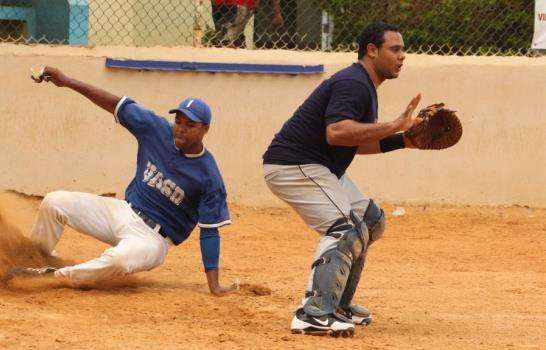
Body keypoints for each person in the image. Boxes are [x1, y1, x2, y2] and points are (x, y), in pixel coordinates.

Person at [262, 22, 423, 336]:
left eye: (403, 49)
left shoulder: (365, 85)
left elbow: (355, 141)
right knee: (344, 227)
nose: (402, 56)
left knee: (370, 219)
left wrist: (403, 139)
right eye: (395, 49)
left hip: (316, 166)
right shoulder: (354, 83)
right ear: (371, 50)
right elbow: (336, 133)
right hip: (294, 164)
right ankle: (313, 312)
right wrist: (393, 126)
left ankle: (337, 304)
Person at [19, 67, 236, 297]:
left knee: (120, 260)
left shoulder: (208, 175)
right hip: (123, 211)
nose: (180, 128)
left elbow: (210, 231)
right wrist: (68, 81)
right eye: (178, 120)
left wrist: (214, 285)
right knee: (54, 202)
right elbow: (114, 104)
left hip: (153, 239)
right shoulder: (157, 130)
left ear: (205, 129)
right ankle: (32, 263)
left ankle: (54, 277)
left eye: (190, 125)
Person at [211, 0, 283, 48]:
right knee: (227, 39)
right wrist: (277, 13)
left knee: (226, 38)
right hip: (240, 4)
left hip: (233, 4)